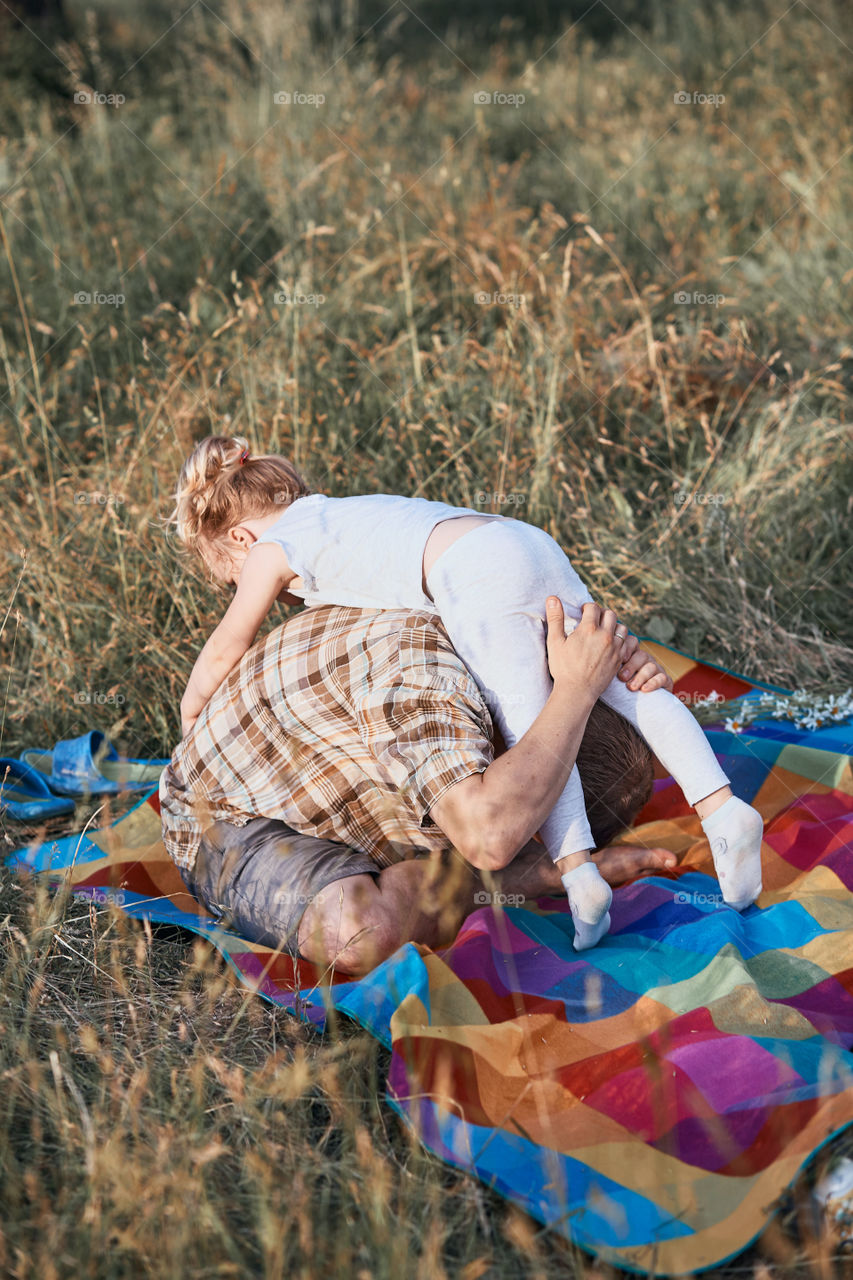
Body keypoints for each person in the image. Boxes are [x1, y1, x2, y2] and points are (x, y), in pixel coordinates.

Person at [167, 436, 762, 949]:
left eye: (233, 583)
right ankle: (719, 807)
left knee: (536, 714)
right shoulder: (359, 559)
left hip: (478, 566)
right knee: (620, 691)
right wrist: (588, 681)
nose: (270, 601)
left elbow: (225, 645)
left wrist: (191, 709)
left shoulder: (289, 547)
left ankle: (575, 871)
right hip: (523, 540)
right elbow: (492, 827)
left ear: (240, 537)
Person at [159, 597, 679, 975]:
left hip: (318, 777)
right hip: (222, 810)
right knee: (363, 933)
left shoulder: (517, 653)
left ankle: (482, 863)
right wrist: (578, 691)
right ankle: (493, 874)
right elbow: (491, 838)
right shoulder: (431, 692)